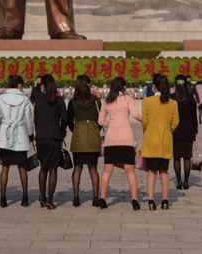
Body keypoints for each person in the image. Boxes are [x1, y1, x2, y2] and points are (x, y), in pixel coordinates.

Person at [97, 77, 142, 210]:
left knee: (107, 170)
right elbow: (135, 115)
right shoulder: (128, 99)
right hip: (126, 139)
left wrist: (111, 124)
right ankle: (134, 199)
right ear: (123, 87)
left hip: (111, 140)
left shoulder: (107, 101)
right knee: (130, 170)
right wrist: (146, 121)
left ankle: (103, 199)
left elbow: (100, 120)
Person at [0, 75, 35, 207]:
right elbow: (29, 120)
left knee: (5, 166)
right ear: (20, 85)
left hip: (6, 134)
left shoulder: (1, 98)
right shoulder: (25, 100)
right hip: (20, 134)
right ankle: (25, 197)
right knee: (22, 167)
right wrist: (30, 134)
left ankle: (3, 198)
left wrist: (3, 122)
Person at [140, 75, 179, 210]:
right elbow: (175, 122)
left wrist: (148, 130)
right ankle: (165, 200)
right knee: (164, 171)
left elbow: (144, 121)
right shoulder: (173, 103)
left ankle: (151, 200)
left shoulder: (147, 101)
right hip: (165, 141)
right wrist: (168, 130)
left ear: (154, 87)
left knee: (151, 172)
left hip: (151, 140)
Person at [33, 73, 68, 209]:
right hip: (54, 137)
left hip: (41, 137)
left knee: (43, 168)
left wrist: (38, 131)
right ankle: (50, 200)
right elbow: (64, 118)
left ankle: (42, 197)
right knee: (53, 168)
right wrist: (62, 131)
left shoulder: (39, 100)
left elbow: (35, 119)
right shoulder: (59, 100)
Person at [67, 75, 102, 207]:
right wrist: (94, 129)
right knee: (93, 169)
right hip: (93, 134)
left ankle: (76, 197)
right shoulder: (96, 101)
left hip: (79, 135)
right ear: (88, 85)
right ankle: (95, 197)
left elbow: (69, 121)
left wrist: (76, 129)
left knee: (77, 168)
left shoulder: (73, 102)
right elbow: (100, 120)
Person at [172, 74, 199, 190]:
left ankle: (178, 181)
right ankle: (186, 182)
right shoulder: (190, 98)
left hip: (175, 130)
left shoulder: (172, 98)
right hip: (189, 130)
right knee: (187, 157)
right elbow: (194, 116)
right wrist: (196, 130)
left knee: (177, 158)